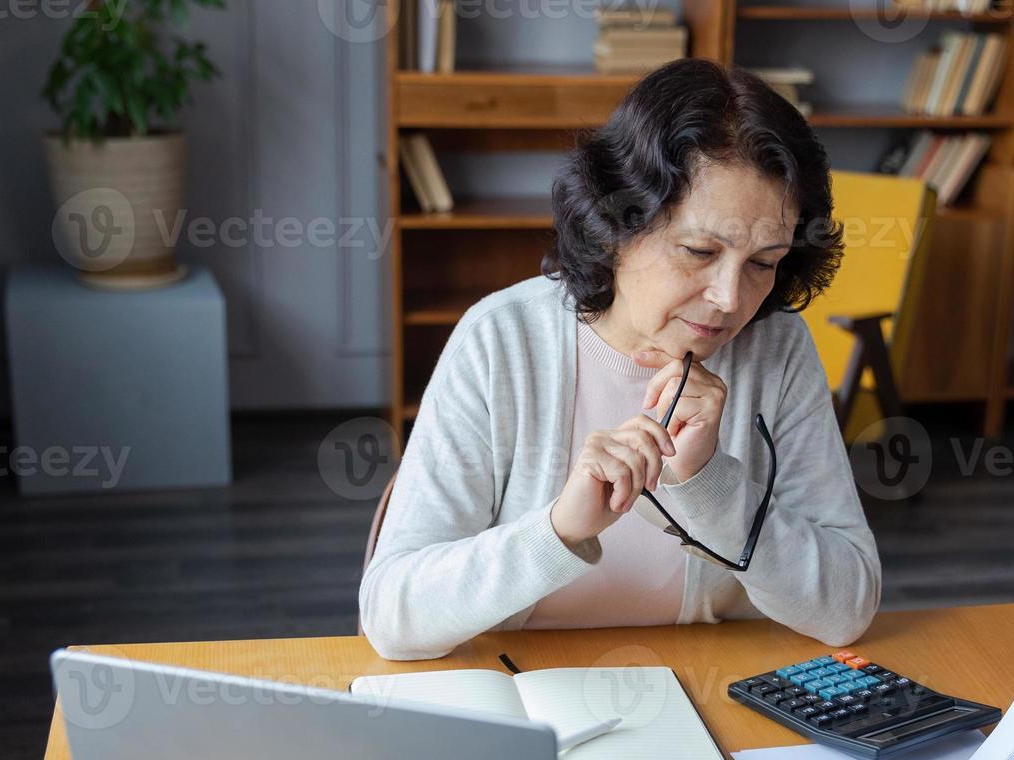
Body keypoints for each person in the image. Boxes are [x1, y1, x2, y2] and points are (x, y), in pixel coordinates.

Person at [359, 58, 880, 661]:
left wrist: (710, 487)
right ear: (615, 225)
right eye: (698, 250)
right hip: (524, 690)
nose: (731, 300)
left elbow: (849, 608)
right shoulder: (502, 340)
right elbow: (393, 616)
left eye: (764, 262)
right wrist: (558, 530)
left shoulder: (777, 348)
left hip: (711, 688)